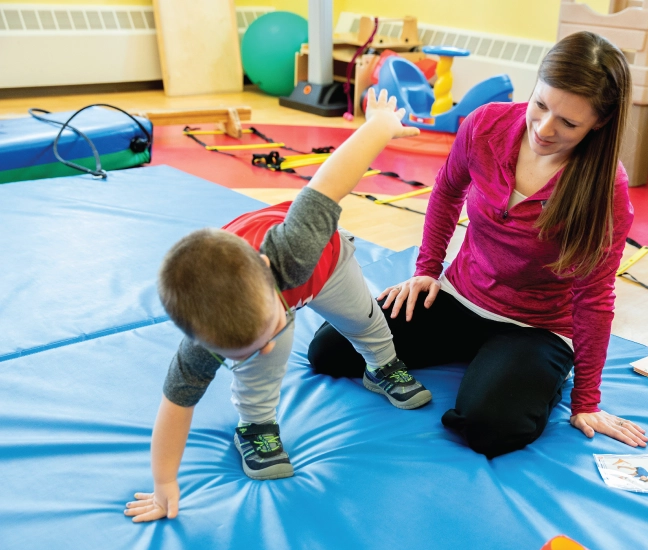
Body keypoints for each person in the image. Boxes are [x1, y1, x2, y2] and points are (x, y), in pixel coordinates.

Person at [308, 32, 648, 458]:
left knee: (489, 427)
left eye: (569, 123)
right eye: (541, 105)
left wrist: (586, 402)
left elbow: (594, 296)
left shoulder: (607, 189)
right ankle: (485, 357)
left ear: (598, 122)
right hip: (460, 296)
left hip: (535, 326)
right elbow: (447, 192)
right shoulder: (486, 124)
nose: (544, 128)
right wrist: (427, 271)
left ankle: (528, 371)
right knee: (329, 350)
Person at [124, 90, 431, 523]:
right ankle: (255, 425)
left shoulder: (294, 247)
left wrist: (378, 126)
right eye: (245, 346)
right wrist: (164, 485)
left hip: (327, 265)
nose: (266, 346)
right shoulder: (204, 340)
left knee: (364, 318)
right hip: (267, 299)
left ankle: (381, 365)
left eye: (264, 332)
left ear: (268, 271)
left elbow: (332, 178)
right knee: (262, 365)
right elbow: (175, 408)